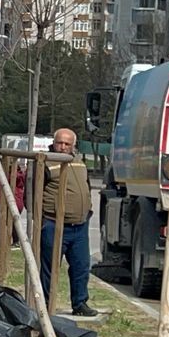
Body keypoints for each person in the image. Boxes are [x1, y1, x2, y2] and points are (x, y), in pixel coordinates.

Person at [38, 128, 98, 320]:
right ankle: (45, 305)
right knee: (49, 267)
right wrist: (39, 219)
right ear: (53, 142)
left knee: (81, 266)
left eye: (67, 144)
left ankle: (80, 303)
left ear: (74, 146)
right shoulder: (44, 162)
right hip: (54, 224)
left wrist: (87, 211)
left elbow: (86, 186)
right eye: (59, 143)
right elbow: (34, 191)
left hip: (79, 226)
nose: (63, 147)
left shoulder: (79, 162)